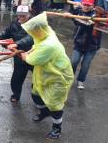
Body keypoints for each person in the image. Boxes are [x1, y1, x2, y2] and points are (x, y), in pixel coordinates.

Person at [20, 12, 74, 140]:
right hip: (45, 72)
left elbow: (32, 60)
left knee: (55, 104)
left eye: (33, 31)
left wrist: (25, 56)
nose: (32, 33)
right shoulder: (46, 31)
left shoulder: (49, 45)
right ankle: (44, 112)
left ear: (38, 29)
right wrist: (29, 50)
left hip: (58, 76)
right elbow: (36, 45)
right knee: (36, 95)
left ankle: (57, 128)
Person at [0, 5, 33, 102]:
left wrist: (16, 44)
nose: (21, 18)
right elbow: (7, 32)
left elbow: (30, 38)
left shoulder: (34, 24)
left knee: (38, 79)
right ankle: (16, 94)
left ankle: (39, 97)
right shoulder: (14, 24)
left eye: (24, 16)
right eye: (19, 16)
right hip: (18, 55)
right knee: (16, 78)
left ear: (29, 15)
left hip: (33, 54)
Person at [70, 0, 100, 90]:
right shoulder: (79, 11)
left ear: (93, 6)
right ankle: (69, 79)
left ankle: (81, 80)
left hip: (92, 45)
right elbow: (73, 13)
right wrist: (72, 10)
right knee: (73, 62)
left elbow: (87, 24)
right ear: (82, 4)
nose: (86, 7)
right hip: (79, 43)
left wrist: (73, 18)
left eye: (88, 5)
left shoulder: (97, 15)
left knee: (85, 65)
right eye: (84, 4)